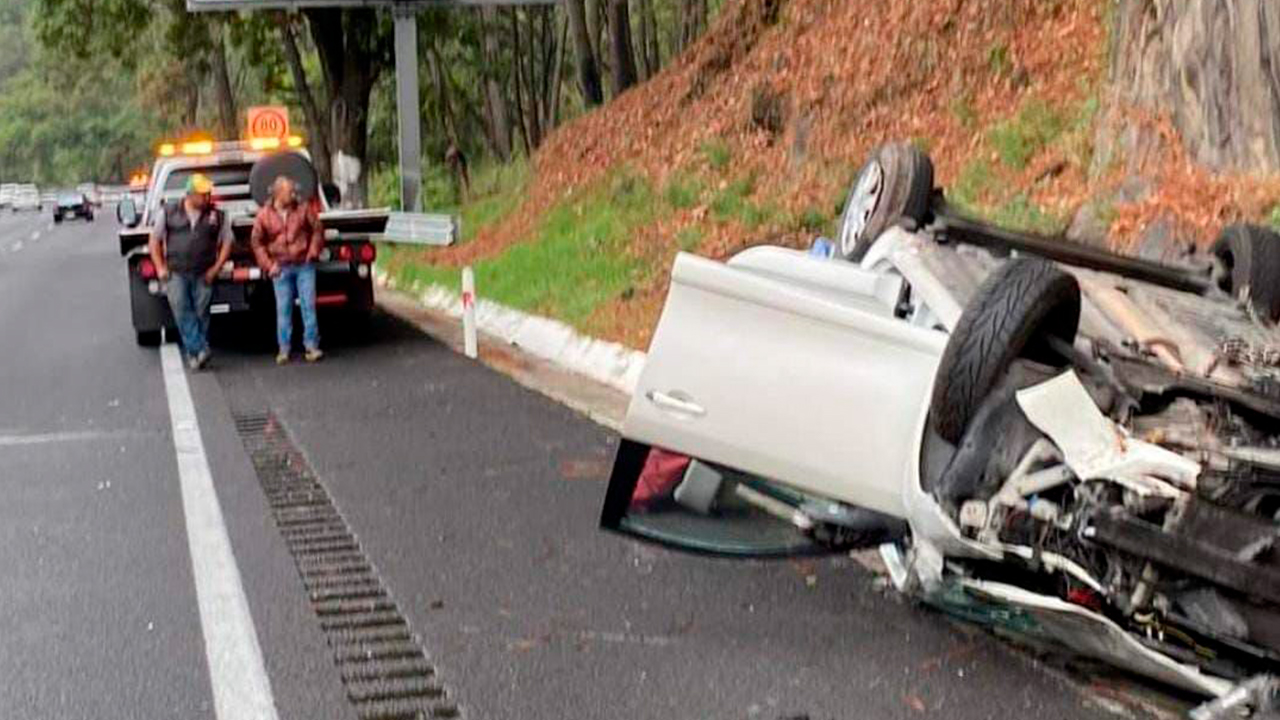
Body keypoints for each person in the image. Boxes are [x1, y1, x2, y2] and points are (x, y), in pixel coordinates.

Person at [149, 173, 232, 370]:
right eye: (203, 194)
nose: (207, 197)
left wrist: (216, 268)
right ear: (190, 194)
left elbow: (227, 242)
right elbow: (154, 241)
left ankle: (195, 354)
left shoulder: (217, 216)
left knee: (201, 312)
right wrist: (160, 267)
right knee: (182, 310)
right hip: (176, 271)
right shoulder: (169, 212)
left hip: (204, 272)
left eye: (208, 193)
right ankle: (200, 348)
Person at [250, 175, 325, 364]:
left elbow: (317, 229)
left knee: (309, 305)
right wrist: (269, 265)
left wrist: (313, 250)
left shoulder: (303, 208)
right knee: (283, 309)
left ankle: (312, 346)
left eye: (293, 191)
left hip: (303, 264)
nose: (293, 194)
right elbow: (257, 243)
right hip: (280, 267)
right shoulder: (264, 215)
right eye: (289, 191)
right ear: (278, 194)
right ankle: (284, 349)